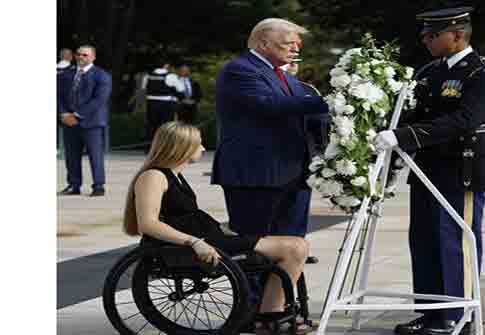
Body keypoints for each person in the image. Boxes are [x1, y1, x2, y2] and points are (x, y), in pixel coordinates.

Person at [374, 7, 485, 335]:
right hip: (427, 168)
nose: (425, 39)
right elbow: (414, 113)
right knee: (425, 239)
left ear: (457, 35)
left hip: (463, 167)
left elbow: (466, 120)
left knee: (455, 240)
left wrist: (404, 136)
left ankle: (457, 315)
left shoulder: (483, 73)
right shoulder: (429, 72)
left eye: (433, 34)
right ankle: (432, 312)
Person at [122, 121, 312, 334]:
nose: (203, 149)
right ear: (181, 147)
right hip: (192, 246)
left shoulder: (175, 176)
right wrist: (194, 242)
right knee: (295, 248)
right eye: (199, 144)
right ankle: (268, 317)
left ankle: (269, 313)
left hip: (210, 239)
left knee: (295, 247)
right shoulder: (153, 177)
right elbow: (148, 224)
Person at [211, 18, 329, 238]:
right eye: (288, 43)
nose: (295, 48)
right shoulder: (240, 70)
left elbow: (307, 115)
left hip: (294, 174)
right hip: (256, 175)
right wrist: (332, 99)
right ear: (264, 44)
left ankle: (284, 275)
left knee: (292, 246)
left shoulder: (285, 77)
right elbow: (270, 105)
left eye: (298, 44)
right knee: (257, 249)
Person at [57, 45, 112, 196]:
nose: (81, 57)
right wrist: (63, 114)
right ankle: (74, 185)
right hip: (69, 122)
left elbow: (99, 100)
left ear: (93, 57)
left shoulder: (102, 76)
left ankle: (98, 186)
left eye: (85, 55)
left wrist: (76, 115)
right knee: (71, 156)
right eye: (79, 54)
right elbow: (57, 95)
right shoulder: (65, 74)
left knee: (95, 156)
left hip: (92, 123)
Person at [143, 62, 185, 152]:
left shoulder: (148, 76)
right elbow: (181, 90)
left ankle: (150, 148)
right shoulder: (170, 76)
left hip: (151, 104)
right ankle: (166, 149)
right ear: (166, 65)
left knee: (151, 126)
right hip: (166, 105)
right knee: (167, 127)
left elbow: (144, 88)